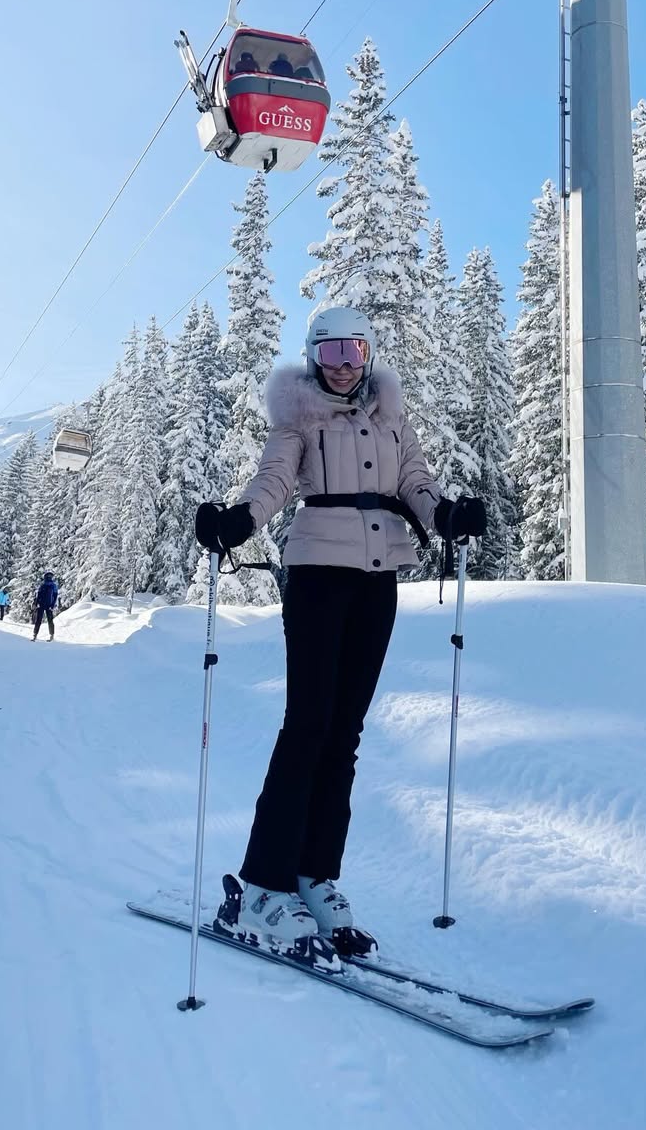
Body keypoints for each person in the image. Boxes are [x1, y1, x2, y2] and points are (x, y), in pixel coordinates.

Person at [195, 305, 486, 959]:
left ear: (369, 354)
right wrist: (240, 520)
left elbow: (415, 481)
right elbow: (273, 480)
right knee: (308, 727)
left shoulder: (392, 418)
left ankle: (315, 875)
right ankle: (266, 884)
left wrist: (448, 516)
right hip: (318, 576)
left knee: (345, 736)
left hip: (377, 580)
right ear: (313, 360)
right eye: (331, 355)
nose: (345, 366)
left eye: (354, 351)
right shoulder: (298, 417)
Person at [33, 572, 58, 641]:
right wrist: (52, 606)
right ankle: (52, 635)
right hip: (49, 606)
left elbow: (38, 595)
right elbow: (55, 597)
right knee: (50, 621)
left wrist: (36, 603)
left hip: (41, 605)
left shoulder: (43, 585)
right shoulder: (54, 586)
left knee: (38, 620)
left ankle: (35, 635)